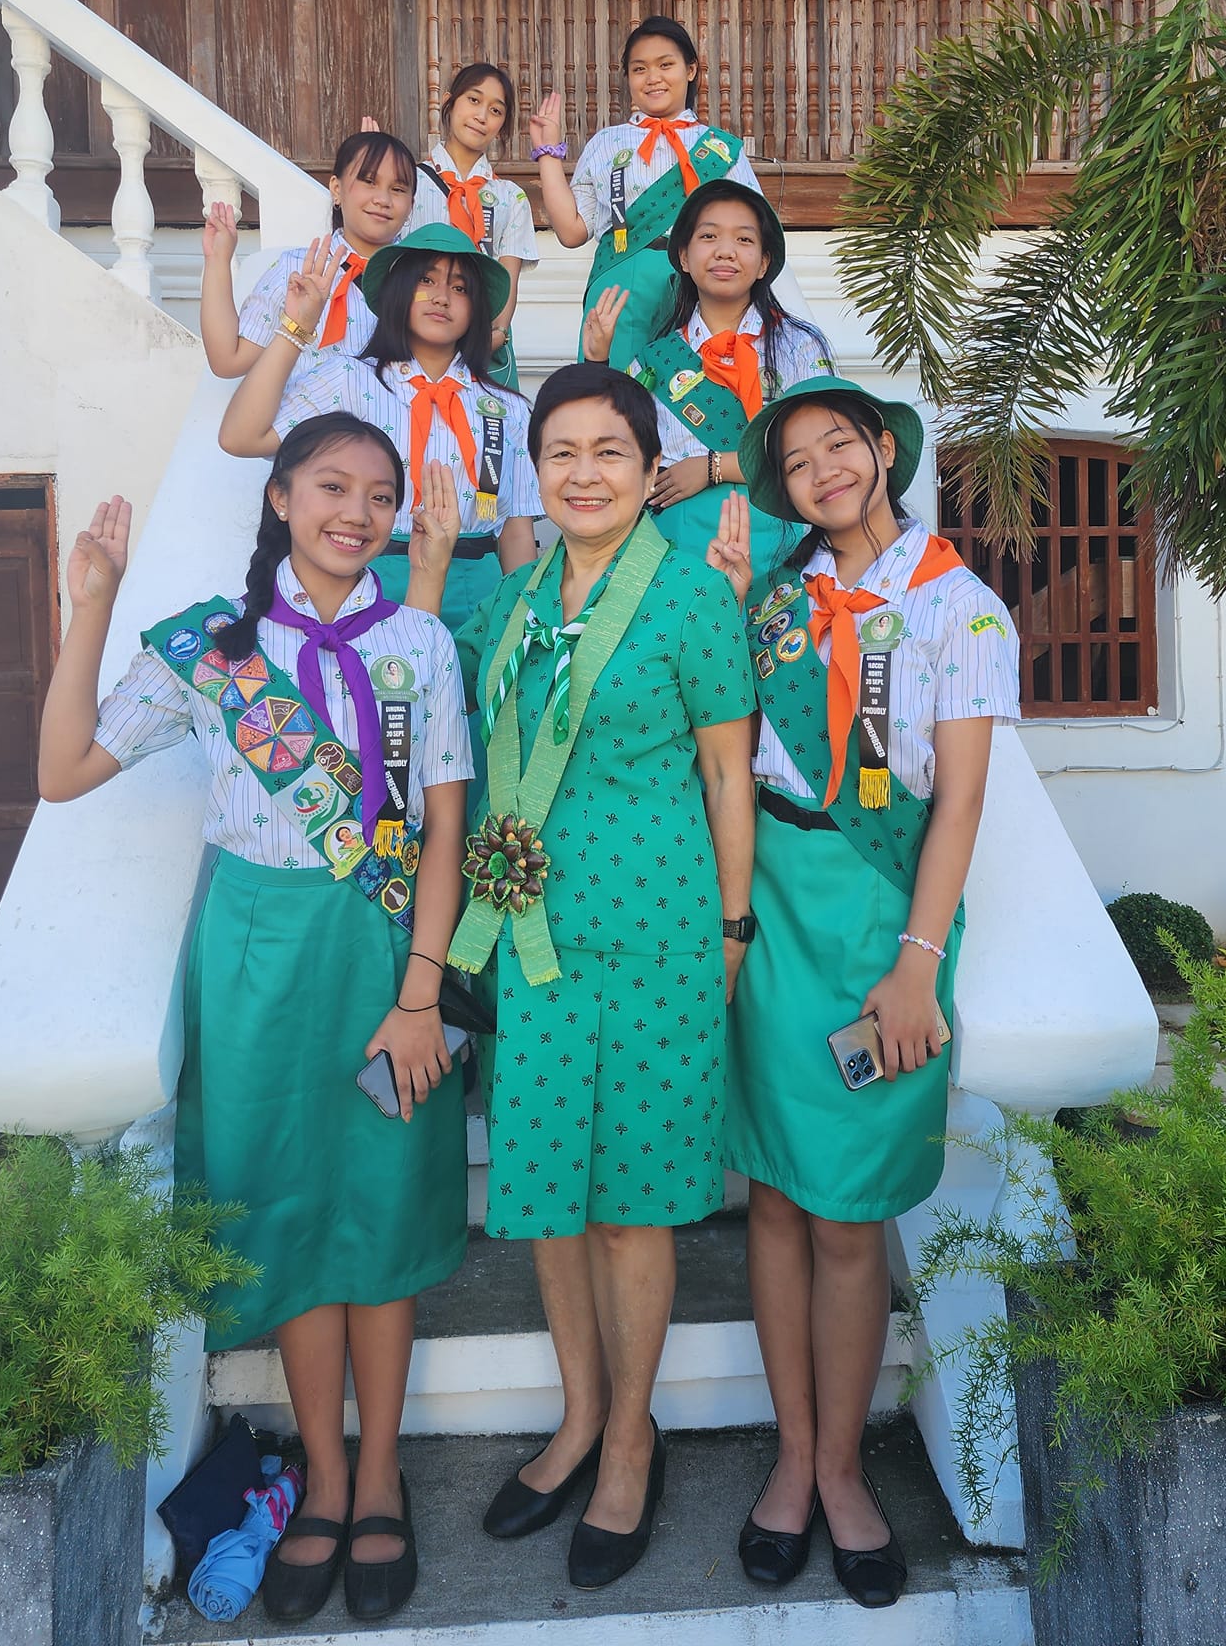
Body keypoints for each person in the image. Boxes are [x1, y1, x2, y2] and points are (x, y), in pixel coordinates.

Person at [35, 415, 472, 1624]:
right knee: (285, 1211)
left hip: (384, 953)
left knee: (379, 1211)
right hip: (253, 962)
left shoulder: (422, 643)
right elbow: (64, 766)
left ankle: (378, 1471)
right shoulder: (210, 652)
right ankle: (322, 1476)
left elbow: (442, 827)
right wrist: (94, 598)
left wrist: (422, 989)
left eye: (381, 494)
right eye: (333, 485)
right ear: (280, 497)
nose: (359, 510)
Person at [410, 361, 756, 1589]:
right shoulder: (513, 601)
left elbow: (727, 775)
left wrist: (730, 929)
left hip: (661, 935)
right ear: (537, 469)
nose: (585, 472)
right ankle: (573, 1411)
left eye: (610, 450)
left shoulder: (691, 602)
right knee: (552, 1193)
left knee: (634, 1202)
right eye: (561, 452)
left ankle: (628, 1436)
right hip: (533, 939)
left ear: (648, 461)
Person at [703, 376, 1019, 1610]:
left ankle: (842, 1468)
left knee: (845, 1216)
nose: (823, 468)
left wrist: (916, 961)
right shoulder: (778, 599)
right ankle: (793, 1454)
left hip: (881, 921)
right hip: (768, 897)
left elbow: (961, 801)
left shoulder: (959, 605)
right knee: (776, 1200)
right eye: (796, 460)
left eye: (841, 442)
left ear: (883, 450)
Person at [218, 224, 540, 631]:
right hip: (366, 582)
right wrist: (294, 329)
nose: (441, 297)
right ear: (399, 291)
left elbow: (515, 533)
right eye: (426, 280)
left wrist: (522, 625)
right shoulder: (347, 379)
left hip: (481, 597)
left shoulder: (508, 410)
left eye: (460, 289)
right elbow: (241, 437)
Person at [582, 181, 834, 580]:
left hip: (785, 557)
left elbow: (825, 451)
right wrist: (597, 361)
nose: (725, 250)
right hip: (676, 563)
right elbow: (607, 451)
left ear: (764, 262)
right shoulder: (655, 361)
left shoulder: (800, 346)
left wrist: (712, 467)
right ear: (683, 256)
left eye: (744, 239)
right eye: (709, 236)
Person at [529, 15, 766, 371]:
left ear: (690, 70)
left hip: (702, 284)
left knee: (692, 401)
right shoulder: (607, 143)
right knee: (616, 400)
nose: (652, 78)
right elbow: (572, 231)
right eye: (640, 69)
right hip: (619, 284)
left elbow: (754, 229)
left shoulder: (719, 149)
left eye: (665, 65)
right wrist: (548, 153)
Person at [198, 130, 419, 379]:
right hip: (308, 416)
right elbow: (228, 361)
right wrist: (217, 260)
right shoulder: (296, 270)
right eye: (369, 181)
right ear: (337, 189)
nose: (382, 199)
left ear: (411, 205)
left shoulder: (423, 279)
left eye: (398, 188)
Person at [405, 62, 539, 391]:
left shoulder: (510, 198)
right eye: (474, 100)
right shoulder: (409, 183)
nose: (482, 116)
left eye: (496, 110)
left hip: (483, 341)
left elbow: (507, 276)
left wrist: (496, 333)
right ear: (449, 103)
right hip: (418, 334)